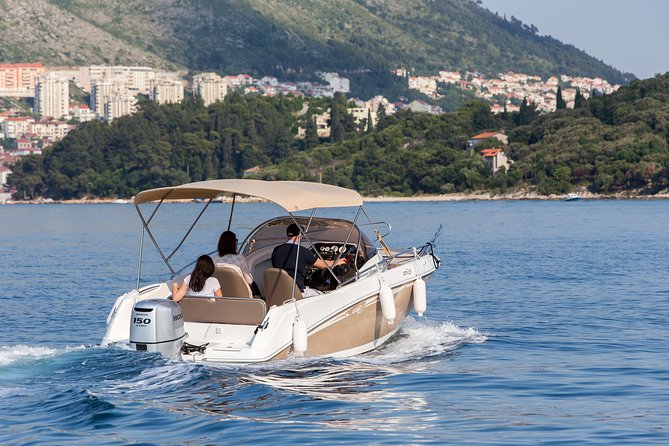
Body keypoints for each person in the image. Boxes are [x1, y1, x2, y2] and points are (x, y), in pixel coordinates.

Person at [271, 223, 346, 293]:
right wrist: (338, 261)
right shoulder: (303, 251)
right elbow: (323, 265)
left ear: (288, 235)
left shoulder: (276, 250)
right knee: (322, 294)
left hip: (281, 290)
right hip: (298, 291)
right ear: (300, 235)